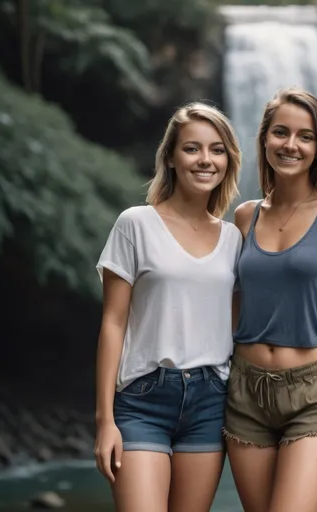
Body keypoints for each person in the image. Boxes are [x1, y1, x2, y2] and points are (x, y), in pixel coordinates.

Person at [224, 87, 317, 512]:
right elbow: (235, 306)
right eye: (281, 133)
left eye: (305, 136)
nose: (291, 145)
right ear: (264, 139)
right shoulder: (245, 216)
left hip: (315, 395)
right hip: (244, 394)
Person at [93, 102, 242, 512]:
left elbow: (235, 326)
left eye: (216, 149)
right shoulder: (135, 223)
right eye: (192, 149)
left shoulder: (234, 239)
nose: (205, 160)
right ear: (172, 158)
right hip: (143, 398)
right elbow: (112, 323)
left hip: (212, 400)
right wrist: (105, 421)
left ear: (228, 160)